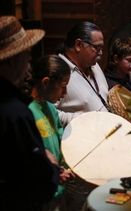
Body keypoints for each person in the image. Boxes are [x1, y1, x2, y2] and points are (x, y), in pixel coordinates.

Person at [0, 16, 59, 210]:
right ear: (11, 60)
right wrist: (49, 164)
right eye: (25, 55)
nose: (29, 63)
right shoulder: (15, 112)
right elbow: (39, 184)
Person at [29, 55, 75, 210]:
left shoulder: (51, 109)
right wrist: (51, 173)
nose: (65, 92)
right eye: (62, 86)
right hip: (40, 194)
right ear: (46, 82)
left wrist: (62, 168)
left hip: (58, 190)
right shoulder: (28, 111)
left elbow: (59, 143)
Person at [56, 21, 110, 126]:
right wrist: (81, 119)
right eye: (97, 48)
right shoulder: (58, 71)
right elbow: (48, 112)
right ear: (78, 45)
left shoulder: (94, 64)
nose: (101, 53)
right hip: (81, 137)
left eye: (101, 48)